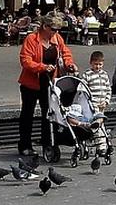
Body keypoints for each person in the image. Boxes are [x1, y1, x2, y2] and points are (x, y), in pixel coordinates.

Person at [17, 14, 75, 156]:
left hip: (50, 83)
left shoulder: (57, 39)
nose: (56, 32)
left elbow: (65, 53)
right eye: (54, 29)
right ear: (45, 27)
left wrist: (69, 64)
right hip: (31, 83)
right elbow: (25, 60)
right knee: (27, 115)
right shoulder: (32, 39)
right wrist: (42, 67)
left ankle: (47, 143)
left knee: (49, 115)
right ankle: (25, 145)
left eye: (58, 29)